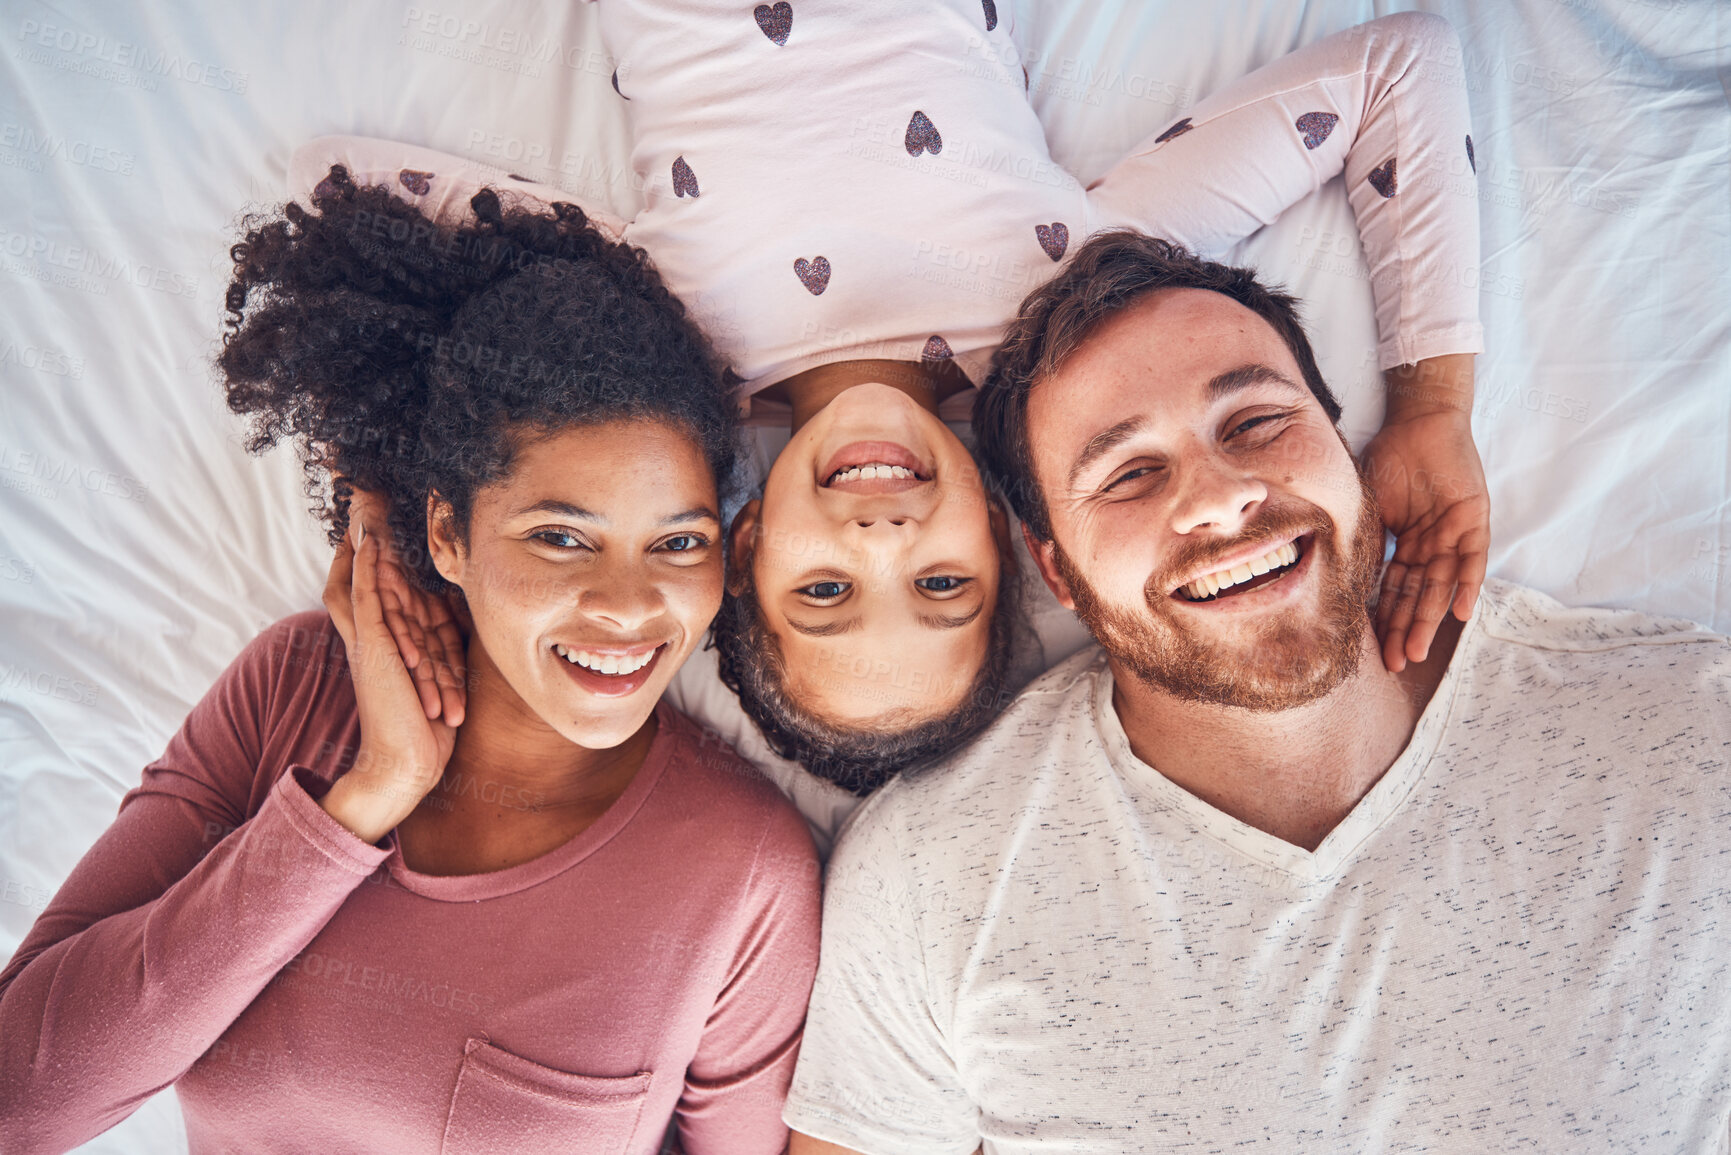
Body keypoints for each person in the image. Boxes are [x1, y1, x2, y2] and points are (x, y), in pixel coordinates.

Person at [299, 2, 1490, 798]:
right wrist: (1433, 410)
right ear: (1018, 541)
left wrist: (380, 507)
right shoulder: (1083, 309)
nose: (878, 541)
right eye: (939, 585)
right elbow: (1400, 68)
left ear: (741, 540)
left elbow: (342, 197)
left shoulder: (660, 342)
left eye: (824, 591)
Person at [781, 231, 1731, 1153]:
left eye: (1256, 423)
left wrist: (1434, 400)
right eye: (1129, 473)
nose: (1218, 495)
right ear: (1056, 572)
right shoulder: (930, 878)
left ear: (1348, 454)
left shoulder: (1693, 730)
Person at [0, 175, 819, 1154]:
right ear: (448, 533)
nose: (629, 606)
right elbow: (22, 1102)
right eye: (561, 538)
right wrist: (362, 802)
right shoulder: (295, 694)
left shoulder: (744, 873)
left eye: (679, 544)